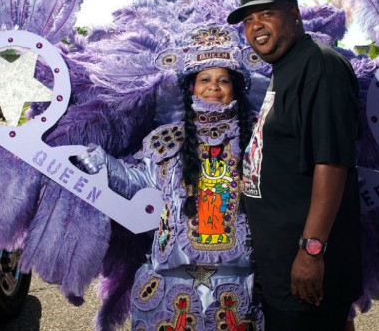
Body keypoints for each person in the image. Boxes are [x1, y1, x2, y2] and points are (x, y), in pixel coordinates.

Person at [77, 25, 265, 330]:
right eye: (204, 79)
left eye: (223, 80)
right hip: (173, 281)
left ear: (236, 87)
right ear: (191, 87)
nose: (213, 88)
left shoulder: (257, 138)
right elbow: (141, 183)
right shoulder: (168, 140)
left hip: (240, 279)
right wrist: (106, 165)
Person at [227, 0, 362, 331]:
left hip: (304, 271)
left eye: (266, 13)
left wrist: (311, 251)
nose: (255, 26)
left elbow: (331, 162)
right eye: (248, 19)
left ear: (294, 14)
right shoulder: (284, 69)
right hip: (282, 268)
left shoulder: (320, 66)